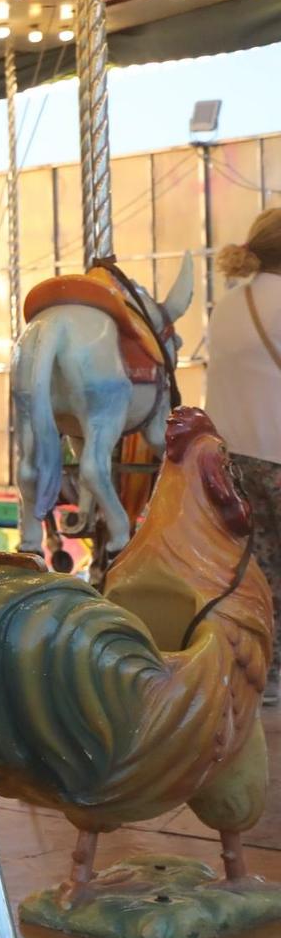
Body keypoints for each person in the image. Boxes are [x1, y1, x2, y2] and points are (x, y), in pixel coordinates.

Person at [205, 207, 281, 706]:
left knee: (254, 569)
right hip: (277, 454)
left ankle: (262, 674)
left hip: (230, 460)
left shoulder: (227, 305)